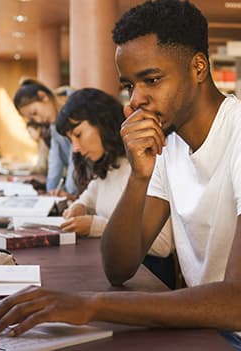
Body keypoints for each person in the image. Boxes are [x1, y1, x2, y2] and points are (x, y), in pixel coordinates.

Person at [0, 1, 241, 350]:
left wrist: (90, 304)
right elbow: (119, 267)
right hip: (214, 330)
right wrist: (139, 177)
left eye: (152, 80)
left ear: (198, 67)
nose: (135, 101)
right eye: (129, 86)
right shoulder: (169, 146)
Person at [55, 87, 175, 288]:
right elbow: (89, 196)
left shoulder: (145, 164)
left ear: (101, 123)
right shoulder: (110, 164)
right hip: (117, 274)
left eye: (78, 134)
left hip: (148, 278)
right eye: (70, 140)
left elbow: (163, 245)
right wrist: (79, 206)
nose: (75, 147)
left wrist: (96, 225)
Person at [13, 79, 76, 196]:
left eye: (35, 112)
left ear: (43, 96)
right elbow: (55, 160)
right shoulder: (54, 126)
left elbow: (75, 158)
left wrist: (69, 192)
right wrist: (50, 191)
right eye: (32, 119)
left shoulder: (75, 110)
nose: (38, 120)